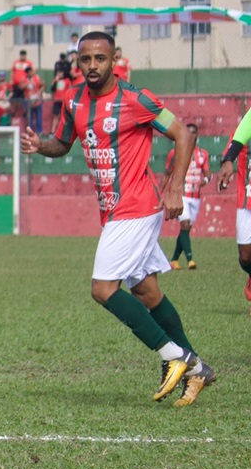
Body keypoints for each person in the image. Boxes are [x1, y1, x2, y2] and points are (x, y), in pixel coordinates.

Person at [20, 31, 214, 407]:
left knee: (103, 289)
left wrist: (175, 188)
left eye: (100, 59)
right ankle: (198, 369)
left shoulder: (134, 99)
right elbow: (62, 144)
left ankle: (177, 357)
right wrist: (39, 145)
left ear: (114, 60)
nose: (92, 66)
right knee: (146, 292)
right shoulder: (73, 100)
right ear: (78, 62)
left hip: (137, 207)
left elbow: (182, 136)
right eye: (86, 59)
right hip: (112, 210)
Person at [214, 106, 251, 314]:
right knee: (245, 257)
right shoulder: (247, 123)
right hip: (247, 198)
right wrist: (227, 162)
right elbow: (234, 145)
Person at [163, 123, 209, 270]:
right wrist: (161, 192)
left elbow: (208, 174)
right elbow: (167, 173)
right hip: (181, 194)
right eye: (188, 132)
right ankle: (191, 260)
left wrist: (205, 180)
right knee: (185, 224)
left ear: (197, 135)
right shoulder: (175, 152)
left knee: (186, 229)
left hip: (195, 196)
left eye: (194, 132)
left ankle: (174, 259)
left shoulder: (203, 154)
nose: (191, 135)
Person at [10, 49, 33, 120]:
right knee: (14, 98)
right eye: (21, 55)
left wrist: (27, 81)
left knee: (24, 98)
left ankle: (26, 112)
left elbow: (31, 73)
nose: (22, 57)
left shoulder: (28, 63)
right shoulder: (16, 62)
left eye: (24, 55)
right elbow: (12, 72)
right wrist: (11, 80)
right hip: (16, 85)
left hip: (24, 85)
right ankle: (12, 112)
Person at [24, 67, 46, 135]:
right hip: (28, 101)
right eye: (28, 72)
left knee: (38, 116)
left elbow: (43, 85)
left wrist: (39, 93)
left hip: (37, 100)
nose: (30, 73)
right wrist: (27, 84)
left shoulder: (37, 77)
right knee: (29, 117)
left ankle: (39, 132)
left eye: (30, 71)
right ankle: (30, 131)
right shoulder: (25, 79)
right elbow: (20, 87)